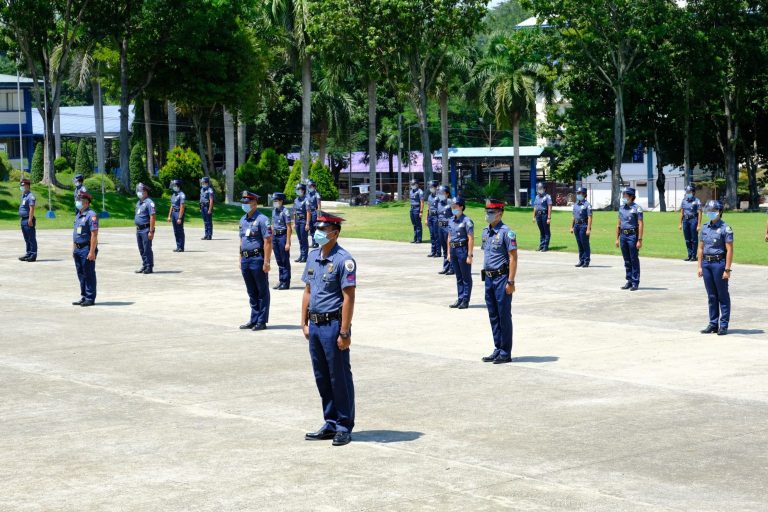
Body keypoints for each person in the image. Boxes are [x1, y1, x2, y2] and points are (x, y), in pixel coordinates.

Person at [301, 211, 356, 447]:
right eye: (318, 229)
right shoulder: (313, 257)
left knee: (339, 376)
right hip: (314, 324)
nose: (319, 233)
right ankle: (330, 422)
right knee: (322, 376)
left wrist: (344, 332)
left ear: (335, 233)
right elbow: (307, 291)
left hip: (334, 325)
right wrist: (303, 321)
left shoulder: (344, 260)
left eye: (323, 230)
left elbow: (349, 297)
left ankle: (344, 425)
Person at [481, 199, 518, 364]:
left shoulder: (506, 232)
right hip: (488, 278)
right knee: (493, 315)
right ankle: (497, 348)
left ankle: (505, 352)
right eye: (487, 212)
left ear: (500, 213)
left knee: (503, 315)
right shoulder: (485, 232)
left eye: (491, 212)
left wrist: (511, 281)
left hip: (502, 278)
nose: (488, 215)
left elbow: (513, 257)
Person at [698, 200, 733, 336]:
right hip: (706, 264)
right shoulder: (705, 227)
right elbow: (701, 248)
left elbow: (729, 250)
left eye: (713, 211)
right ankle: (713, 324)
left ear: (719, 212)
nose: (710, 213)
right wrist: (699, 266)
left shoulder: (726, 228)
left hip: (719, 264)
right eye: (709, 210)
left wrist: (727, 269)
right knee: (711, 296)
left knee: (722, 295)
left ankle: (723, 325)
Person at [238, 191, 272, 331]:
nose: (244, 205)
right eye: (243, 202)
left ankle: (262, 320)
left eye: (247, 202)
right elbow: (241, 240)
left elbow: (268, 241)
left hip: (258, 258)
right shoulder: (243, 220)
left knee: (262, 291)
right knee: (251, 291)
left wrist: (267, 261)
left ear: (254, 203)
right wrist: (239, 258)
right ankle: (254, 318)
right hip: (246, 258)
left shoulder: (263, 219)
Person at [446, 196, 474, 309]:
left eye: (455, 206)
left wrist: (470, 255)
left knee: (465, 276)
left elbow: (471, 238)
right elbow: (449, 237)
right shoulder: (451, 220)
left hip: (462, 250)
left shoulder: (467, 221)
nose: (453, 208)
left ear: (461, 207)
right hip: (453, 250)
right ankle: (460, 298)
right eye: (452, 206)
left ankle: (466, 300)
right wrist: (448, 253)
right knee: (458, 276)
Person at [72, 192, 99, 307]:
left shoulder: (91, 215)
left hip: (86, 249)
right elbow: (75, 234)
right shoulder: (78, 214)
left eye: (80, 200)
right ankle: (84, 296)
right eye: (77, 199)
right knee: (81, 274)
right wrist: (73, 249)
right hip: (78, 249)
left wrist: (92, 251)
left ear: (86, 202)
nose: (78, 202)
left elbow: (94, 234)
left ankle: (90, 297)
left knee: (88, 274)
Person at [615, 187, 644, 290]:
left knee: (633, 259)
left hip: (632, 236)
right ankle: (629, 280)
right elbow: (618, 224)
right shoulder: (621, 208)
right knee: (626, 259)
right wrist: (617, 238)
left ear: (631, 196)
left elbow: (640, 224)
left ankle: (635, 281)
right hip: (623, 235)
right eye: (623, 195)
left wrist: (639, 240)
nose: (624, 197)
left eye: (626, 195)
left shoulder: (637, 208)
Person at [271, 192, 292, 290]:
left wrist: (288, 242)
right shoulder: (274, 211)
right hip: (275, 237)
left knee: (284, 260)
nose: (275, 202)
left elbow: (289, 227)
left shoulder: (285, 211)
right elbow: (272, 225)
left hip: (282, 236)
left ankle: (286, 282)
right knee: (279, 260)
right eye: (274, 201)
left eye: (276, 201)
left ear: (281, 201)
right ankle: (281, 281)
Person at [134, 183, 156, 274]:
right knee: (141, 248)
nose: (138, 192)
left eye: (140, 191)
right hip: (139, 229)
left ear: (145, 192)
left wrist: (151, 231)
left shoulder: (149, 202)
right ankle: (144, 264)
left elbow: (152, 217)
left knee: (147, 248)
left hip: (146, 229)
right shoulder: (139, 202)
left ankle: (149, 267)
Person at [678, 185, 702, 261]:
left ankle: (694, 256)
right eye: (687, 192)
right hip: (685, 220)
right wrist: (680, 223)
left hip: (693, 220)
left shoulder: (697, 201)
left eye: (689, 192)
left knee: (694, 239)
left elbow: (700, 213)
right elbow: (681, 213)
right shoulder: (684, 200)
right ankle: (689, 255)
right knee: (687, 239)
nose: (688, 193)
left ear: (693, 192)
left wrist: (698, 225)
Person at [570, 186, 593, 267]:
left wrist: (588, 229)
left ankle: (586, 261)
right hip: (576, 225)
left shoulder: (587, 205)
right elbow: (573, 216)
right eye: (578, 193)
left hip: (584, 225)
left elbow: (590, 217)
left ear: (584, 194)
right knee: (579, 244)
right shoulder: (576, 204)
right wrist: (571, 227)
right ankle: (581, 260)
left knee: (585, 243)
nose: (578, 195)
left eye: (580, 193)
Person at [436, 185, 454, 275]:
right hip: (440, 227)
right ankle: (445, 267)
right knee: (444, 248)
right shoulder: (439, 203)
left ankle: (452, 267)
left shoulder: (450, 202)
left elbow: (456, 214)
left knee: (450, 248)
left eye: (442, 193)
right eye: (439, 193)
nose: (440, 195)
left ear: (447, 194)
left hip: (448, 227)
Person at [18, 178, 37, 262]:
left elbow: (31, 208)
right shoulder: (24, 195)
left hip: (28, 219)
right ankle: (28, 253)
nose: (21, 187)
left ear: (27, 186)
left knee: (31, 238)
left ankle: (33, 254)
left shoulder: (30, 196)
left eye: (23, 185)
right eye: (21, 185)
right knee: (26, 238)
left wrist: (30, 219)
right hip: (23, 219)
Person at [532, 182, 553, 251]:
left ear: (544, 189)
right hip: (538, 215)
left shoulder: (547, 196)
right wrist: (534, 216)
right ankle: (541, 245)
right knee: (541, 231)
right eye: (538, 188)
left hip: (545, 215)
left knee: (546, 231)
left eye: (540, 188)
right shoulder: (537, 196)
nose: (539, 189)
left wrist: (549, 217)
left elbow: (550, 207)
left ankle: (546, 246)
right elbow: (535, 207)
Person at [167, 179, 186, 252]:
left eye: (175, 185)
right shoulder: (174, 194)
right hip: (174, 213)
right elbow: (172, 205)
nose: (173, 187)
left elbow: (182, 206)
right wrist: (169, 216)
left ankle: (181, 247)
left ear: (178, 186)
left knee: (180, 230)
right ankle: (178, 246)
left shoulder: (182, 195)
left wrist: (180, 218)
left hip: (178, 213)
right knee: (175, 231)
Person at [293, 183, 311, 263]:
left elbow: (308, 212)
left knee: (304, 239)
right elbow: (294, 212)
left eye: (298, 189)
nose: (297, 191)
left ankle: (305, 256)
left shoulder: (306, 200)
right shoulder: (296, 200)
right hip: (297, 221)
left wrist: (307, 223)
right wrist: (294, 222)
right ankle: (301, 255)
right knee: (300, 240)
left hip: (303, 221)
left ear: (303, 190)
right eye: (297, 190)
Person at [425, 180, 440, 257]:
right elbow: (428, 207)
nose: (431, 188)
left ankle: (438, 251)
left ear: (436, 187)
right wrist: (426, 218)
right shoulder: (430, 196)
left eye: (432, 187)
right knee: (431, 235)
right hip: (430, 216)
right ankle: (433, 251)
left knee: (436, 234)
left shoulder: (439, 196)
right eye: (430, 187)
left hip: (436, 217)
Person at [307, 180, 322, 247]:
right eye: (308, 186)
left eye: (310, 186)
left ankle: (316, 242)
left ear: (314, 186)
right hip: (308, 212)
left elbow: (319, 205)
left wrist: (319, 215)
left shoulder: (316, 194)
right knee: (311, 228)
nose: (309, 187)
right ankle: (313, 242)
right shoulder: (308, 194)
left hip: (314, 212)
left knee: (315, 227)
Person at [409, 179, 424, 243]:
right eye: (411, 184)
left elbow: (422, 202)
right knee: (414, 224)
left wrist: (421, 211)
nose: (412, 185)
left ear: (417, 184)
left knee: (418, 224)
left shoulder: (420, 191)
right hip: (412, 209)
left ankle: (419, 239)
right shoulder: (411, 191)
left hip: (417, 209)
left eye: (413, 184)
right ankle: (415, 238)